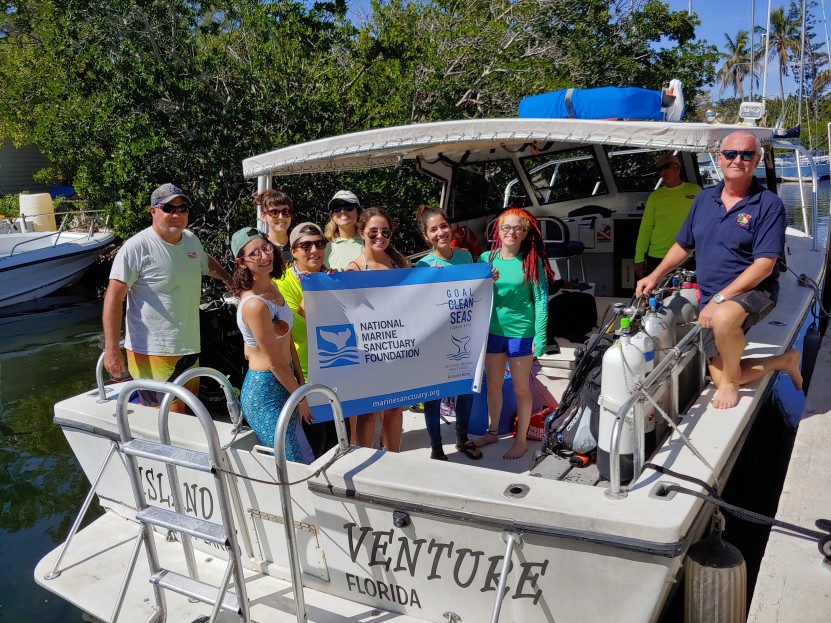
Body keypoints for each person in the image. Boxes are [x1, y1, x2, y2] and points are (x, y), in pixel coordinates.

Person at [635, 131, 802, 410]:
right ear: (719, 158)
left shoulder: (768, 204)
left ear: (757, 160)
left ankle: (731, 384)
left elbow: (764, 266)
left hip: (754, 291)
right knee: (719, 375)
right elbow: (683, 246)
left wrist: (719, 300)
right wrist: (654, 275)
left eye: (747, 154)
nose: (738, 159)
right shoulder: (703, 199)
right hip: (712, 294)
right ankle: (784, 361)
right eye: (731, 154)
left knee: (723, 319)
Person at [102, 183, 231, 411]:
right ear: (153, 211)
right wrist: (112, 349)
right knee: (167, 420)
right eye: (169, 208)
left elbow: (205, 261)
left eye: (182, 209)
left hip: (189, 347)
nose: (176, 214)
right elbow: (113, 298)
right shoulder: (136, 247)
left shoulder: (191, 240)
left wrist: (229, 280)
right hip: (153, 351)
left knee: (190, 412)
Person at [474, 208, 555, 459]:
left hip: (521, 333)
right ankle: (492, 431)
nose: (511, 232)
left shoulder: (532, 260)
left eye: (517, 228)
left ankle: (520, 441)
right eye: (506, 227)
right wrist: (486, 280)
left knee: (521, 388)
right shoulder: (486, 259)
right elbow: (474, 294)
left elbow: (541, 300)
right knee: (494, 385)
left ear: (525, 232)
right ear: (498, 231)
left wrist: (540, 338)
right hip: (493, 332)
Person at [230, 227, 312, 461]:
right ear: (242, 262)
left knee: (302, 452)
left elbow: (287, 342)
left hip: (287, 379)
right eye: (254, 253)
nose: (264, 256)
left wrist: (300, 380)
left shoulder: (274, 287)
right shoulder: (254, 305)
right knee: (293, 458)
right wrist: (301, 397)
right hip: (265, 390)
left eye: (267, 248)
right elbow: (274, 362)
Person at [414, 205, 483, 461]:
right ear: (426, 236)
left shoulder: (465, 256)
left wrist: (489, 277)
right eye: (433, 229)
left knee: (466, 389)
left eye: (443, 226)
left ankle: (462, 439)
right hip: (436, 339)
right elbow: (417, 303)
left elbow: (475, 290)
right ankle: (436, 447)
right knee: (433, 396)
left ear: (450, 227)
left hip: (464, 333)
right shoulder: (423, 264)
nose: (440, 232)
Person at [345, 207, 411, 452]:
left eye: (385, 232)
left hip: (397, 347)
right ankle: (362, 462)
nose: (380, 237)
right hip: (367, 352)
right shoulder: (353, 269)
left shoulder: (399, 262)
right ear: (361, 233)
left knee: (394, 408)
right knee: (368, 413)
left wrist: (433, 278)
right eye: (373, 233)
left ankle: (394, 459)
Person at [275, 221, 340, 458]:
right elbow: (300, 329)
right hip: (303, 377)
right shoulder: (282, 283)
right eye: (306, 246)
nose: (314, 250)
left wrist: (330, 283)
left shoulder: (332, 278)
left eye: (319, 243)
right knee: (317, 447)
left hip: (334, 370)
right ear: (293, 251)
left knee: (338, 442)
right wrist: (312, 289)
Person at [633, 154, 701, 278]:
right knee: (658, 296)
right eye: (659, 169)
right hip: (658, 256)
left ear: (677, 167)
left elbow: (704, 223)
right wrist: (639, 259)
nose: (662, 172)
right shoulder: (655, 197)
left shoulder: (696, 191)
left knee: (688, 295)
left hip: (687, 255)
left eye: (666, 167)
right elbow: (645, 229)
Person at [324, 190, 364, 269]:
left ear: (358, 213)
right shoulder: (325, 249)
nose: (342, 211)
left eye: (349, 207)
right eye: (337, 208)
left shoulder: (370, 244)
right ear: (332, 216)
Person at [257, 189, 294, 265]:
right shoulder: (259, 249)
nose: (281, 217)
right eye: (274, 212)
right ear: (263, 216)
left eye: (285, 212)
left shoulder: (301, 245)